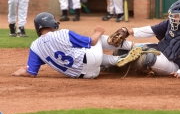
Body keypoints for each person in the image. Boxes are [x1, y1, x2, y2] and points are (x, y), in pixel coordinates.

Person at [11, 12, 142, 78]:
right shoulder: (63, 33)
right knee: (99, 38)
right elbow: (92, 41)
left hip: (87, 76)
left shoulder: (35, 46)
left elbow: (31, 73)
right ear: (52, 24)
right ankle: (133, 46)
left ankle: (117, 60)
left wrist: (20, 72)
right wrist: (98, 32)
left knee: (87, 55)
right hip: (92, 59)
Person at [108, 0, 180, 78]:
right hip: (161, 51)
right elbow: (152, 30)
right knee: (123, 48)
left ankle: (126, 67)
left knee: (147, 57)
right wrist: (130, 31)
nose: (173, 18)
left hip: (174, 65)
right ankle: (110, 65)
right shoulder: (172, 23)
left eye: (177, 16)